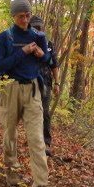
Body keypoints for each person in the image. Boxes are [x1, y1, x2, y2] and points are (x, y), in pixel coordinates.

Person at [0, 0, 56, 187]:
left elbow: (48, 60)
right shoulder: (4, 38)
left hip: (33, 90)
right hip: (10, 90)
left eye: (28, 15)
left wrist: (41, 54)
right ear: (13, 16)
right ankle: (11, 168)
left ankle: (41, 185)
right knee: (10, 132)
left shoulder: (39, 36)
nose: (25, 19)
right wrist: (22, 52)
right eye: (21, 16)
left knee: (37, 138)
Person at [29, 15, 60, 157]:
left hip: (45, 81)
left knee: (45, 112)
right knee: (32, 112)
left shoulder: (49, 44)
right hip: (28, 81)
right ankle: (34, 141)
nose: (38, 30)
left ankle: (46, 143)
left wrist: (57, 83)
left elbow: (54, 64)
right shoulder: (26, 44)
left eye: (39, 27)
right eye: (35, 28)